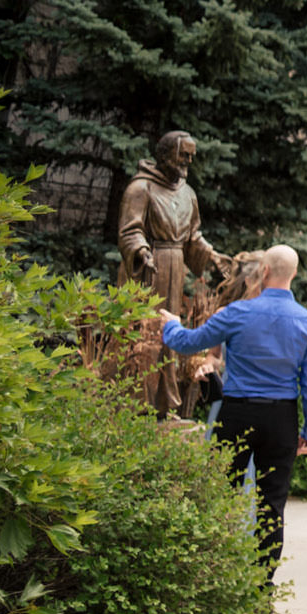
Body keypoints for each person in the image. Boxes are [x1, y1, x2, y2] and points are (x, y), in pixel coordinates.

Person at [158, 243, 307, 574]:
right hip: (282, 418)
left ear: (264, 272)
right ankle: (262, 586)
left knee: (220, 496)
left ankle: (217, 575)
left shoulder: (236, 314)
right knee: (272, 505)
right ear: (294, 274)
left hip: (237, 414)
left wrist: (171, 323)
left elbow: (187, 342)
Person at [120, 130, 232, 416]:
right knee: (144, 330)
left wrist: (212, 256)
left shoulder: (188, 193)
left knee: (170, 330)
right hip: (147, 267)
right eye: (184, 154)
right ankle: (136, 401)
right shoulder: (140, 188)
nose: (189, 160)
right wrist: (142, 252)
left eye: (191, 155)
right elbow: (130, 230)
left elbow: (193, 236)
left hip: (175, 266)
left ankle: (164, 402)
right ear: (166, 154)